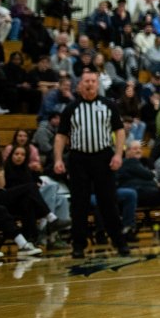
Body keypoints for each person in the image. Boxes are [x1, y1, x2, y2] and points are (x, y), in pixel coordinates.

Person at [53, 67, 131, 258]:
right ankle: (78, 246)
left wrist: (118, 155)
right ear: (79, 85)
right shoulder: (71, 108)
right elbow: (61, 136)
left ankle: (119, 243)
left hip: (103, 158)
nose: (89, 84)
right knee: (79, 204)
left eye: (92, 81)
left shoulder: (109, 105)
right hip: (78, 159)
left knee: (109, 203)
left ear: (97, 84)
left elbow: (120, 131)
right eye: (85, 81)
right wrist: (57, 159)